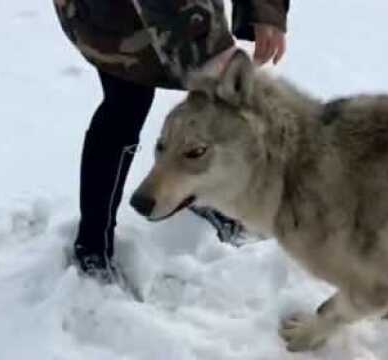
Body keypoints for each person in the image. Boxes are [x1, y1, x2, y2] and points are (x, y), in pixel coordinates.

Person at [53, 0, 290, 282]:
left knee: (206, 96)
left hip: (184, 13)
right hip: (111, 14)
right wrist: (210, 52)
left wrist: (265, 10)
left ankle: (200, 193)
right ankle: (92, 244)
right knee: (127, 102)